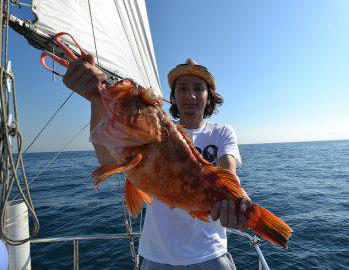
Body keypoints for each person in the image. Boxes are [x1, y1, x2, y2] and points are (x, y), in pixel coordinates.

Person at [64, 56, 251, 269]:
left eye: (198, 88)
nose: (190, 95)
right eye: (182, 89)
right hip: (158, 256)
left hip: (211, 253)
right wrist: (96, 100)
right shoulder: (157, 129)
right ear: (173, 97)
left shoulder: (221, 132)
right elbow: (106, 159)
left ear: (209, 97)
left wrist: (238, 199)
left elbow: (229, 171)